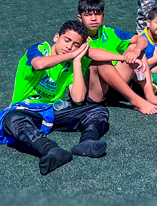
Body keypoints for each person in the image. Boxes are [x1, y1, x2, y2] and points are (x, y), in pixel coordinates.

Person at [0, 21, 107, 175]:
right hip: (25, 110)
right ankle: (52, 150)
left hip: (50, 111)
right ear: (56, 37)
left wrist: (76, 61)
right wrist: (71, 56)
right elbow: (38, 65)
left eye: (76, 45)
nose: (70, 47)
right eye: (67, 40)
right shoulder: (39, 49)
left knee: (98, 110)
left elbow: (78, 98)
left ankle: (87, 142)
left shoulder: (72, 62)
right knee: (11, 119)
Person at [78, 0, 157, 115]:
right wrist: (124, 57)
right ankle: (136, 101)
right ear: (80, 18)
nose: (93, 18)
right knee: (100, 62)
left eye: (97, 14)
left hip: (116, 85)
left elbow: (142, 39)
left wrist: (135, 51)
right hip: (95, 90)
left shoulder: (109, 31)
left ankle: (149, 95)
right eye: (88, 15)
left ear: (103, 16)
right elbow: (93, 53)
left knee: (136, 47)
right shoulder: (77, 36)